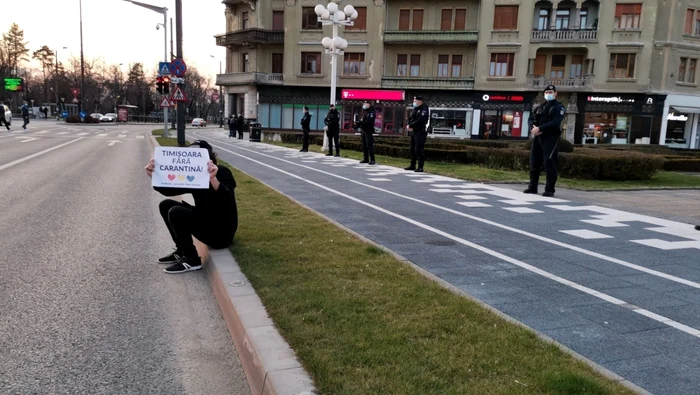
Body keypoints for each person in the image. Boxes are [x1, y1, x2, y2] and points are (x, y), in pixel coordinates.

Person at [144, 140, 238, 274]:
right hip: (205, 220)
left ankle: (192, 259)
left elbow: (227, 197)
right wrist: (153, 175)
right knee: (166, 205)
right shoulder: (195, 176)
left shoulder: (222, 172)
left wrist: (213, 179)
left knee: (177, 212)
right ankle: (182, 251)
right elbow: (169, 191)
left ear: (211, 158)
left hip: (221, 233)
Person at [524, 85, 566, 197]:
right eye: (546, 92)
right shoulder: (540, 107)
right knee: (534, 162)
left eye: (550, 92)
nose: (548, 94)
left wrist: (540, 128)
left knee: (549, 164)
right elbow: (531, 119)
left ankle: (549, 189)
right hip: (538, 137)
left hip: (550, 138)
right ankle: (532, 187)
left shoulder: (558, 107)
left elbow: (555, 122)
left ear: (555, 93)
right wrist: (532, 128)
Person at [405, 96, 430, 172]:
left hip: (420, 132)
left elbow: (420, 120)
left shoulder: (424, 109)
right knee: (412, 149)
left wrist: (411, 125)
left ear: (420, 101)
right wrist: (409, 125)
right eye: (414, 100)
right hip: (414, 131)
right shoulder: (416, 109)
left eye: (415, 100)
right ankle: (412, 165)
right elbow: (411, 118)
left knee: (418, 149)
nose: (414, 102)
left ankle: (420, 167)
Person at [355, 100, 376, 165]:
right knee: (364, 145)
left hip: (368, 130)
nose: (364, 105)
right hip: (363, 130)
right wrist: (357, 124)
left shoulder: (371, 112)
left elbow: (369, 122)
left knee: (369, 145)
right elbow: (363, 120)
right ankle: (365, 159)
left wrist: (360, 122)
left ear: (369, 104)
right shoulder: (365, 112)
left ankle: (372, 159)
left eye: (365, 104)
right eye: (364, 104)